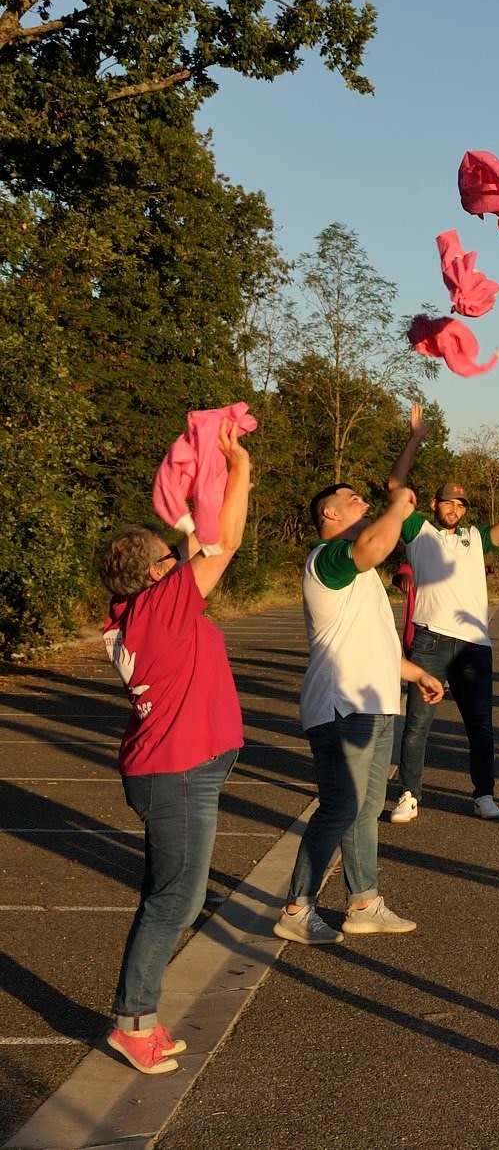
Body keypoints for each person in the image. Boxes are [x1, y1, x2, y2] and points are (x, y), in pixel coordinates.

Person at [96, 422, 251, 1075]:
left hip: (187, 770)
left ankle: (143, 1016)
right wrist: (238, 472)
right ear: (154, 574)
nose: (180, 562)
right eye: (169, 557)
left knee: (178, 897)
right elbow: (226, 543)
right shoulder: (155, 610)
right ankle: (132, 1021)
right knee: (173, 900)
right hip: (175, 772)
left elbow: (208, 544)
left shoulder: (150, 611)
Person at [276, 480, 446, 945]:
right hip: (340, 706)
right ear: (330, 516)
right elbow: (375, 543)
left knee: (366, 809)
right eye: (352, 500)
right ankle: (296, 909)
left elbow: (376, 646)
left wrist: (416, 674)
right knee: (340, 807)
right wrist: (398, 505)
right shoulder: (327, 558)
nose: (364, 504)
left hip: (374, 704)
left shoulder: (361, 574)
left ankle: (364, 903)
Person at [384, 407, 499, 822]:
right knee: (417, 725)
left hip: (473, 645)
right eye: (449, 502)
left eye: (461, 504)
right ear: (435, 504)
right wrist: (414, 437)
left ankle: (483, 793)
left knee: (479, 726)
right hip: (429, 639)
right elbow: (396, 486)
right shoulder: (418, 531)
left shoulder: (475, 537)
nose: (455, 508)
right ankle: (410, 794)